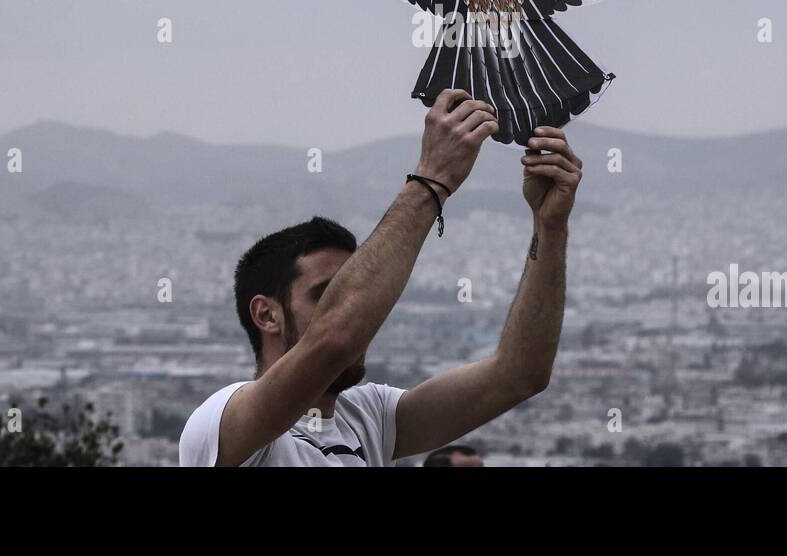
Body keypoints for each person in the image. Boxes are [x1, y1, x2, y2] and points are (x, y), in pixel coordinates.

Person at [178, 89, 583, 466]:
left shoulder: (370, 418)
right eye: (327, 294)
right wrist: (433, 179)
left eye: (352, 290)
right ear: (267, 315)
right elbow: (337, 336)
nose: (359, 310)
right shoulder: (221, 427)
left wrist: (550, 228)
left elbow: (520, 374)